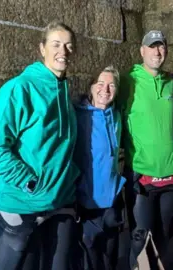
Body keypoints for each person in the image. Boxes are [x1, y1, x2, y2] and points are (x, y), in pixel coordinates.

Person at [0, 21, 81, 269]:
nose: (63, 51)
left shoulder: (62, 90)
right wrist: (31, 182)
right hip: (21, 204)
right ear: (42, 48)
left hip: (59, 202)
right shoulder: (19, 88)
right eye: (56, 44)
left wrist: (70, 179)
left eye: (68, 45)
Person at [117, 30, 173, 267]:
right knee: (139, 238)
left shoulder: (172, 83)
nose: (158, 52)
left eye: (162, 47)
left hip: (171, 174)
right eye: (152, 47)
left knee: (164, 234)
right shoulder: (128, 82)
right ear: (142, 51)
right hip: (142, 175)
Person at [73, 66, 125, 270]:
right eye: (101, 84)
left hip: (111, 200)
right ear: (91, 86)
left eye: (111, 85)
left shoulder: (116, 116)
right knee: (90, 260)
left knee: (110, 258)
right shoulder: (77, 116)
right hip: (87, 202)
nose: (106, 89)